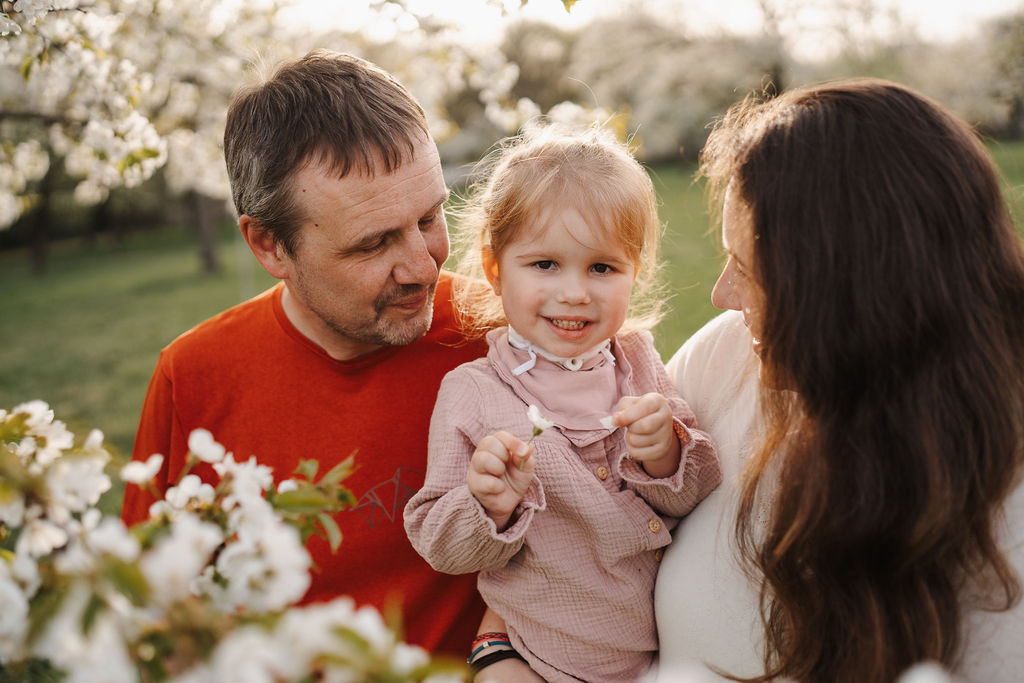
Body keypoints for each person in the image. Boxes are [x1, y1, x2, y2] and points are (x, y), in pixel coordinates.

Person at [120, 50, 491, 656]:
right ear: (269, 245)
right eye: (373, 243)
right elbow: (150, 619)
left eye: (429, 216)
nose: (424, 267)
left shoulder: (501, 335)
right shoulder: (192, 381)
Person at [653, 78, 1024, 682]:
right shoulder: (722, 363)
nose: (722, 295)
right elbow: (586, 521)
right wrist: (500, 650)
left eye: (749, 270)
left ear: (853, 296)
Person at [404, 123, 722, 682]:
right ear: (496, 268)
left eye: (602, 267)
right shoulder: (474, 391)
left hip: (649, 657)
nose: (574, 291)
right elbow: (442, 546)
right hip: (530, 655)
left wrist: (665, 452)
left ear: (635, 273)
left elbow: (694, 494)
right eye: (545, 264)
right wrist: (488, 502)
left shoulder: (638, 365)